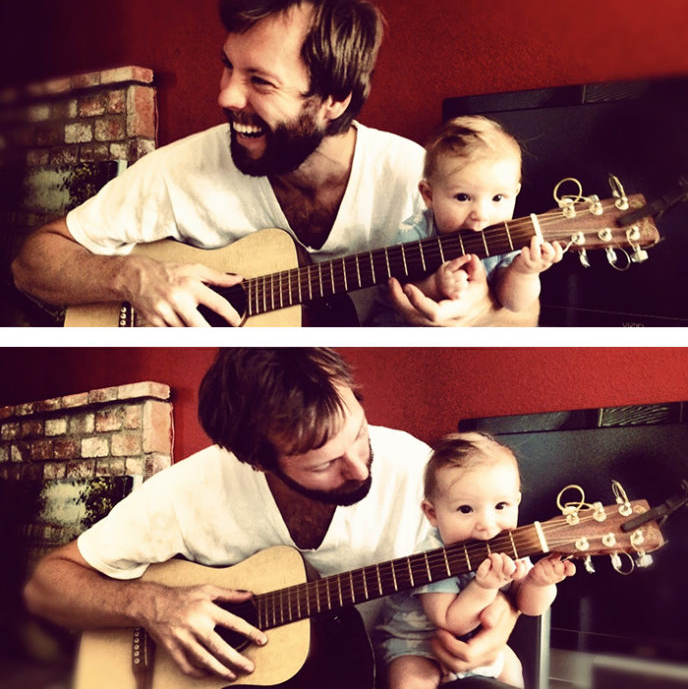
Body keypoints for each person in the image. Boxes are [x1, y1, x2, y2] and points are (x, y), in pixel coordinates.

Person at [11, 0, 535, 328]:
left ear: (334, 100)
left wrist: (483, 312)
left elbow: (522, 317)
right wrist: (132, 277)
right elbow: (31, 262)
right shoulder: (180, 172)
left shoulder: (423, 181)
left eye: (259, 80)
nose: (225, 97)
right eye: (228, 68)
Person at [23, 348, 519, 686]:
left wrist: (501, 622)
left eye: (359, 433)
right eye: (323, 463)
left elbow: (489, 571)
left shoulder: (420, 471)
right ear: (257, 461)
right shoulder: (192, 491)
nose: (359, 466)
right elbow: (46, 586)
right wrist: (152, 606)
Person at [377, 432, 575, 689]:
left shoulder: (511, 544)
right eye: (466, 509)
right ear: (432, 513)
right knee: (409, 680)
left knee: (512, 668)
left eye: (501, 506)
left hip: (483, 644)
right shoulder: (430, 555)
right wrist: (485, 586)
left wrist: (539, 583)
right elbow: (451, 621)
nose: (487, 525)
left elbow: (530, 607)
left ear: (517, 501)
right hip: (415, 646)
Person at [375, 116, 563, 326]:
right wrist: (434, 286)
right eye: (462, 197)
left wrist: (524, 272)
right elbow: (398, 291)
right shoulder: (414, 232)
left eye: (498, 198)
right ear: (428, 195)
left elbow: (512, 304)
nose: (481, 214)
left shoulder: (507, 238)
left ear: (516, 193)